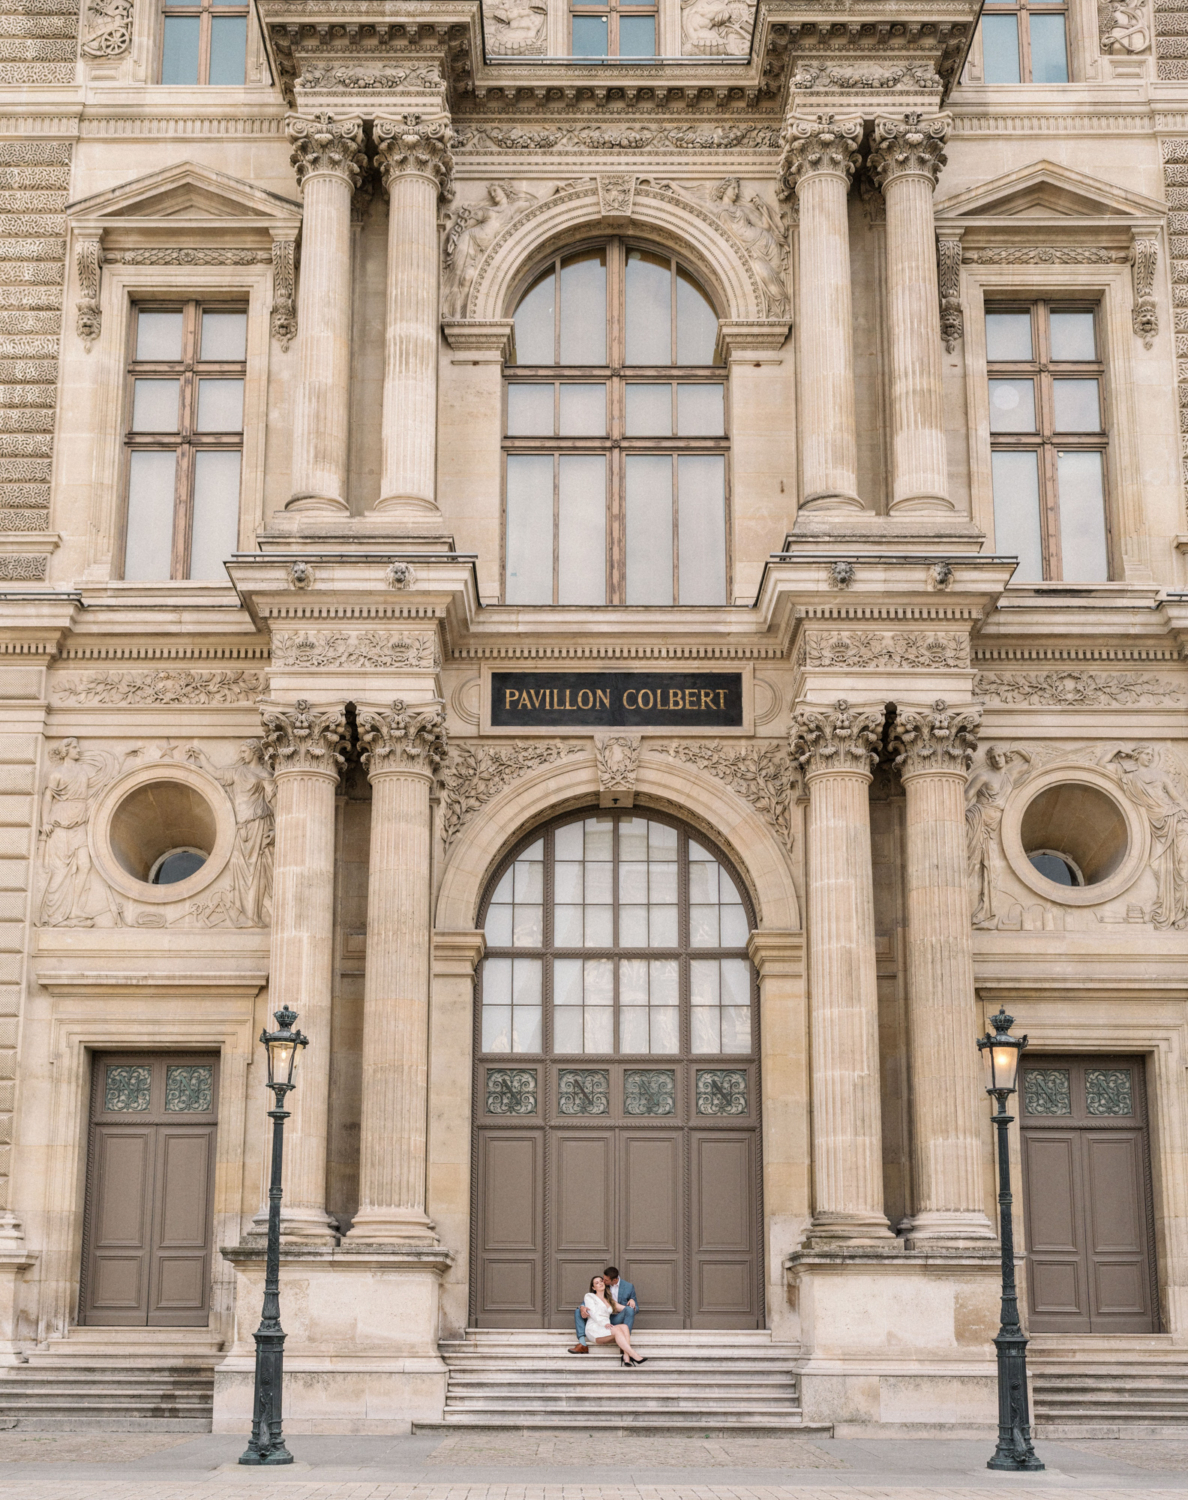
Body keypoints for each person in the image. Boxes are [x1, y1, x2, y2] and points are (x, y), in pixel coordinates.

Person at [571, 1275, 646, 1366]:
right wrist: (604, 1323)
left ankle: (626, 1357)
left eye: (601, 1281)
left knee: (625, 1327)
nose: (600, 1284)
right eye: (596, 1283)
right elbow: (593, 1313)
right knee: (617, 1329)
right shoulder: (589, 1296)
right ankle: (634, 1354)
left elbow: (627, 1310)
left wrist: (632, 1300)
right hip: (595, 1327)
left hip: (606, 1327)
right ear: (593, 1287)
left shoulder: (609, 1300)